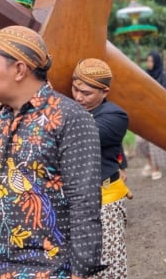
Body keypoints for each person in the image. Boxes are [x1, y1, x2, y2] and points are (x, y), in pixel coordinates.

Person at [0, 26, 105, 279]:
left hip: (51, 270)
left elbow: (85, 204)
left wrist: (81, 273)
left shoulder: (69, 118)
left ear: (18, 69)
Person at [71, 58, 131, 279]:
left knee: (107, 268)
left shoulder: (115, 116)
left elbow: (80, 136)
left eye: (86, 93)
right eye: (75, 89)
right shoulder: (71, 109)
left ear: (105, 91)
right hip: (74, 203)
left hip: (104, 201)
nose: (78, 97)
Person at [138, 50, 166, 180]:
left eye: (151, 61)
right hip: (145, 112)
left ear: (156, 62)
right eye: (148, 60)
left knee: (154, 142)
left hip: (157, 113)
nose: (149, 63)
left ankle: (156, 168)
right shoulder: (144, 74)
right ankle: (150, 162)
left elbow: (165, 94)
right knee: (140, 141)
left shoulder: (163, 76)